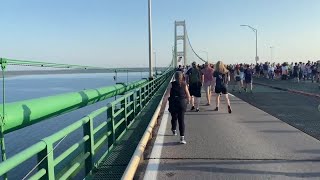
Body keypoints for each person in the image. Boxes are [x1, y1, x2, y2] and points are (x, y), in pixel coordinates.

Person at [168, 71, 191, 144]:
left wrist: (163, 104)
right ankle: (182, 138)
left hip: (173, 102)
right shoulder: (184, 84)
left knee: (174, 117)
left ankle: (174, 130)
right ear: (182, 77)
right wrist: (188, 101)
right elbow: (188, 95)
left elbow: (167, 95)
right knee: (181, 120)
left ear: (175, 77)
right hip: (182, 103)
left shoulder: (171, 84)